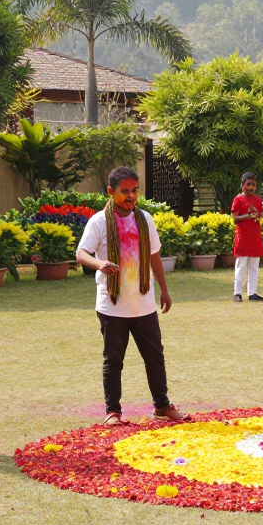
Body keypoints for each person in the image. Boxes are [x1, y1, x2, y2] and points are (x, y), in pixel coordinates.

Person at [76, 165, 186, 425]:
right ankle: (113, 412)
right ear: (110, 191)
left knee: (155, 357)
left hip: (144, 303)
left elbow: (154, 255)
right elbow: (81, 254)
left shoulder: (145, 219)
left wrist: (164, 290)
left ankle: (162, 407)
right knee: (113, 360)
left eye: (135, 190)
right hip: (112, 305)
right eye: (125, 191)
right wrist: (100, 264)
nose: (131, 195)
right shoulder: (99, 221)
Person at [230, 172, 263, 303]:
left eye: (253, 185)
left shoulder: (257, 199)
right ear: (243, 185)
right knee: (241, 266)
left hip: (255, 236)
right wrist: (248, 216)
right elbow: (235, 219)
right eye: (248, 184)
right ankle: (237, 292)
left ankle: (252, 293)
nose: (251, 187)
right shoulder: (238, 199)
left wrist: (258, 215)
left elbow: (260, 213)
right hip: (243, 237)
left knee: (254, 267)